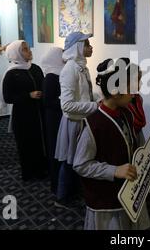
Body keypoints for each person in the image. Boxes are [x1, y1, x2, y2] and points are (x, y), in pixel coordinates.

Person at [73, 58, 150, 230]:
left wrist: (146, 163)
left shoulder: (127, 114)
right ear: (116, 93)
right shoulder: (94, 125)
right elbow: (81, 165)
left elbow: (130, 145)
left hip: (126, 193)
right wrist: (114, 170)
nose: (134, 93)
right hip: (106, 199)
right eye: (131, 89)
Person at [54, 31, 98, 208]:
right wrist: (96, 107)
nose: (90, 47)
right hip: (74, 122)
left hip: (83, 120)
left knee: (79, 159)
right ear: (78, 48)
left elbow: (84, 94)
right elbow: (67, 106)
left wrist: (96, 99)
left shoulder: (82, 67)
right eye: (87, 44)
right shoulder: (70, 70)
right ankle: (62, 197)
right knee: (69, 161)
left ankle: (74, 193)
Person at [1, 40, 47, 181]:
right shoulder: (11, 73)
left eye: (28, 48)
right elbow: (8, 97)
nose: (29, 51)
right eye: (25, 49)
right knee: (26, 144)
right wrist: (28, 95)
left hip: (39, 111)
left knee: (40, 141)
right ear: (16, 53)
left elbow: (43, 84)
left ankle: (42, 169)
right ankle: (29, 173)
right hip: (23, 115)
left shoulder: (35, 68)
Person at [41, 47, 65, 195]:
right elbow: (48, 101)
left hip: (61, 116)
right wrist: (67, 102)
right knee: (56, 150)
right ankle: (56, 186)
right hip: (54, 119)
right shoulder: (51, 76)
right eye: (61, 54)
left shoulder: (62, 72)